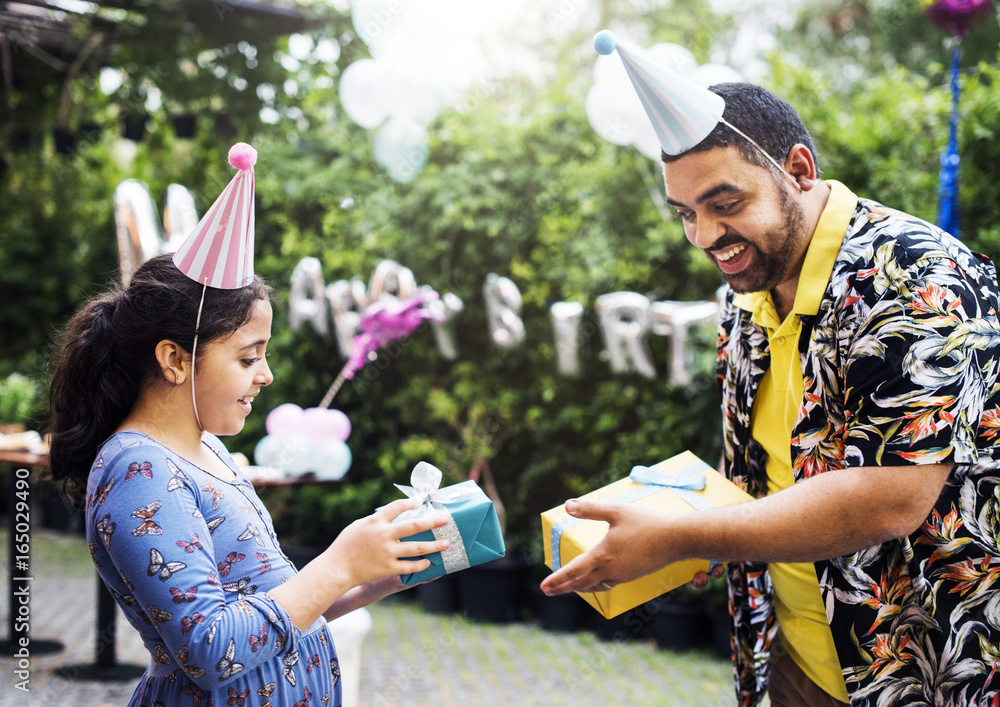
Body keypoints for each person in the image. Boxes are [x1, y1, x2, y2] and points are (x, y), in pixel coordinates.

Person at [541, 72, 1000, 706]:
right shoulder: (750, 287)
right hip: (786, 658)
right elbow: (761, 471)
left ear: (800, 169)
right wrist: (680, 515)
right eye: (686, 214)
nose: (703, 236)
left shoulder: (918, 276)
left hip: (919, 668)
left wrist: (681, 537)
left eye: (724, 204)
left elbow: (888, 499)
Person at [47, 145, 450, 707]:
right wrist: (338, 562)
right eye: (247, 357)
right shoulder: (138, 468)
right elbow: (210, 649)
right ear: (175, 360)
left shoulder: (207, 450)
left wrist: (380, 568)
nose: (266, 375)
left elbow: (270, 606)